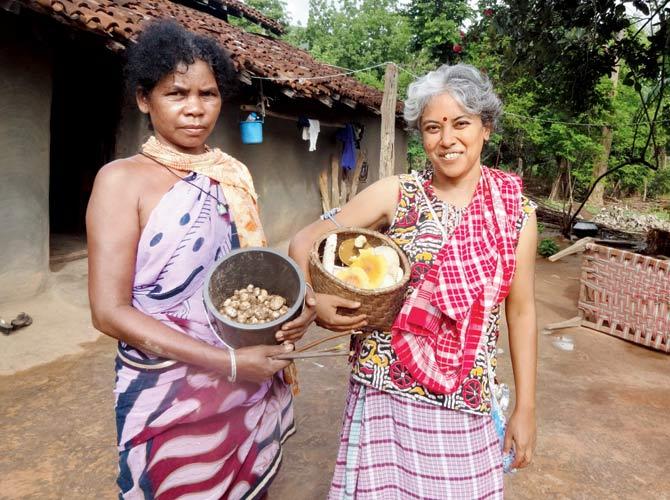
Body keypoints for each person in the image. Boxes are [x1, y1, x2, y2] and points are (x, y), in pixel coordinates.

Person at [86, 20, 316, 499]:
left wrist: (292, 311)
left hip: (247, 377)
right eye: (176, 94)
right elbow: (109, 312)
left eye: (208, 94)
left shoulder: (229, 174)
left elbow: (248, 272)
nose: (195, 109)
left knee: (251, 487)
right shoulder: (120, 181)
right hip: (166, 390)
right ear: (144, 99)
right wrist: (227, 362)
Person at [290, 63, 537, 499]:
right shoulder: (397, 193)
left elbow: (520, 312)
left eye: (461, 123)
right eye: (432, 127)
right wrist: (314, 302)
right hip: (384, 387)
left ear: (486, 128)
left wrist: (526, 408)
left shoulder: (516, 213)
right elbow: (306, 241)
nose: (447, 140)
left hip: (466, 393)